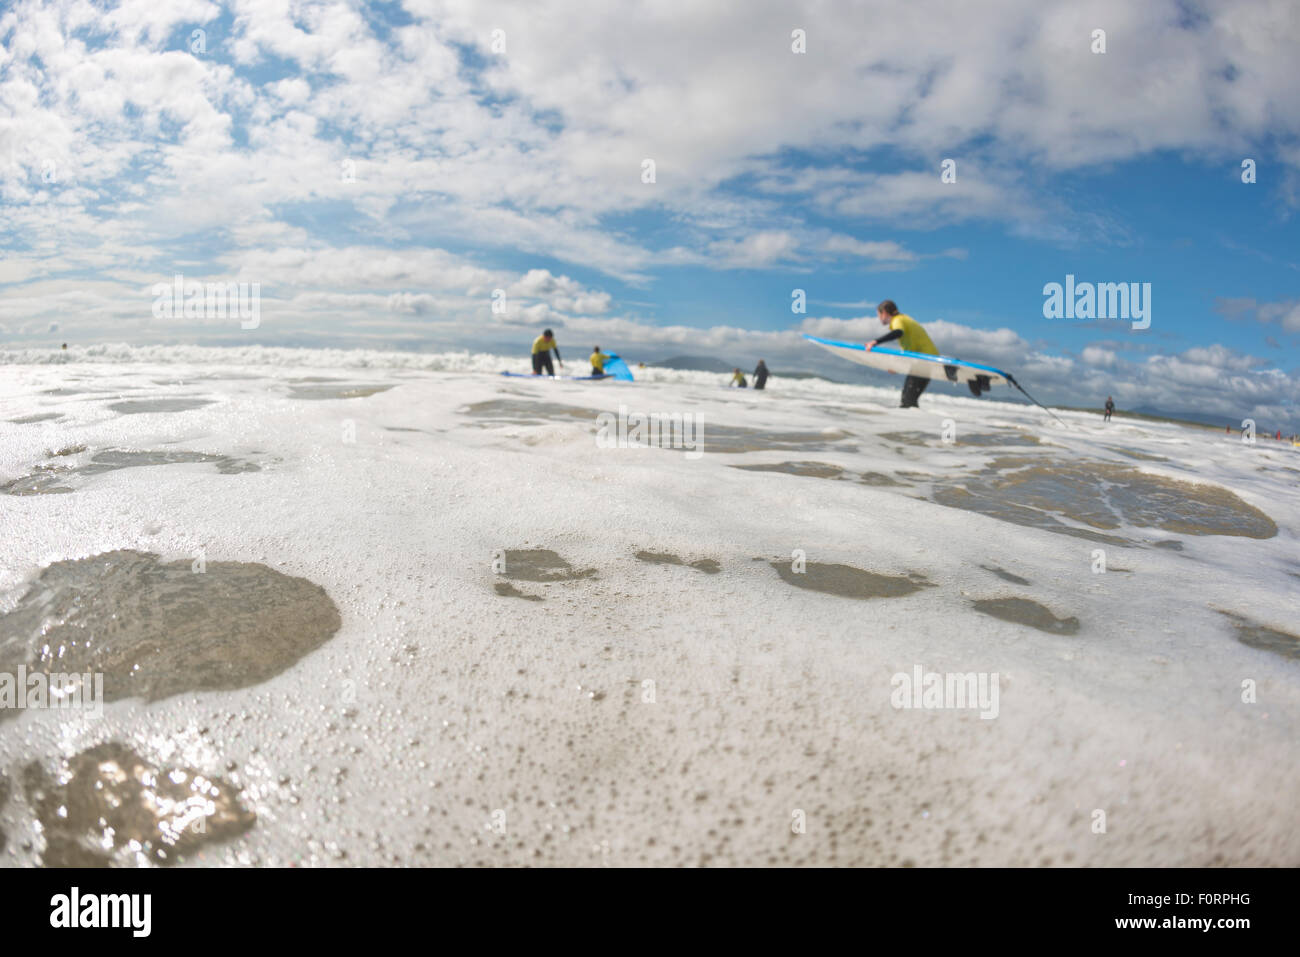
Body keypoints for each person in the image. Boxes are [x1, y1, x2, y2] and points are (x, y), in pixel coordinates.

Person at [866, 300, 941, 408]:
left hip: (924, 361)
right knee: (908, 400)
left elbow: (898, 332)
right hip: (925, 361)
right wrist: (898, 366)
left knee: (907, 401)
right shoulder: (905, 319)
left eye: (879, 315)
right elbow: (909, 350)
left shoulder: (898, 320)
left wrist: (875, 342)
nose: (879, 318)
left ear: (885, 313)